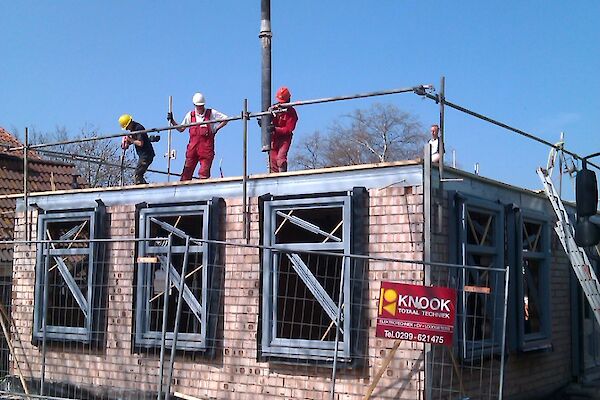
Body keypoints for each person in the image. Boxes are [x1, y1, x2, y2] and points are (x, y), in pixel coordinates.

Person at [167, 93, 228, 180]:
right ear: (194, 105)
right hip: (192, 150)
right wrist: (172, 121)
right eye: (198, 106)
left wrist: (216, 129)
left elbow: (225, 119)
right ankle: (183, 190)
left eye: (201, 106)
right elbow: (181, 129)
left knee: (204, 174)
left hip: (206, 150)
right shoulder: (190, 115)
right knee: (186, 174)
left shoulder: (211, 113)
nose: (200, 108)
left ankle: (202, 190)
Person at [118, 114, 155, 185]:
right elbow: (135, 140)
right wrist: (127, 143)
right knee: (138, 174)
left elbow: (140, 143)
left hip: (146, 155)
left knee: (138, 175)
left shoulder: (138, 128)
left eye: (126, 127)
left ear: (129, 123)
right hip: (143, 155)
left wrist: (130, 139)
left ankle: (144, 189)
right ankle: (145, 186)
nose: (127, 129)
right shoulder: (133, 129)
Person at [268, 86, 298, 173]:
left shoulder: (292, 113)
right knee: (272, 159)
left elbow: (289, 129)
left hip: (284, 139)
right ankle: (274, 178)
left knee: (280, 158)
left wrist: (275, 129)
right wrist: (264, 122)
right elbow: (269, 120)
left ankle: (282, 176)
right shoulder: (274, 109)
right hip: (274, 138)